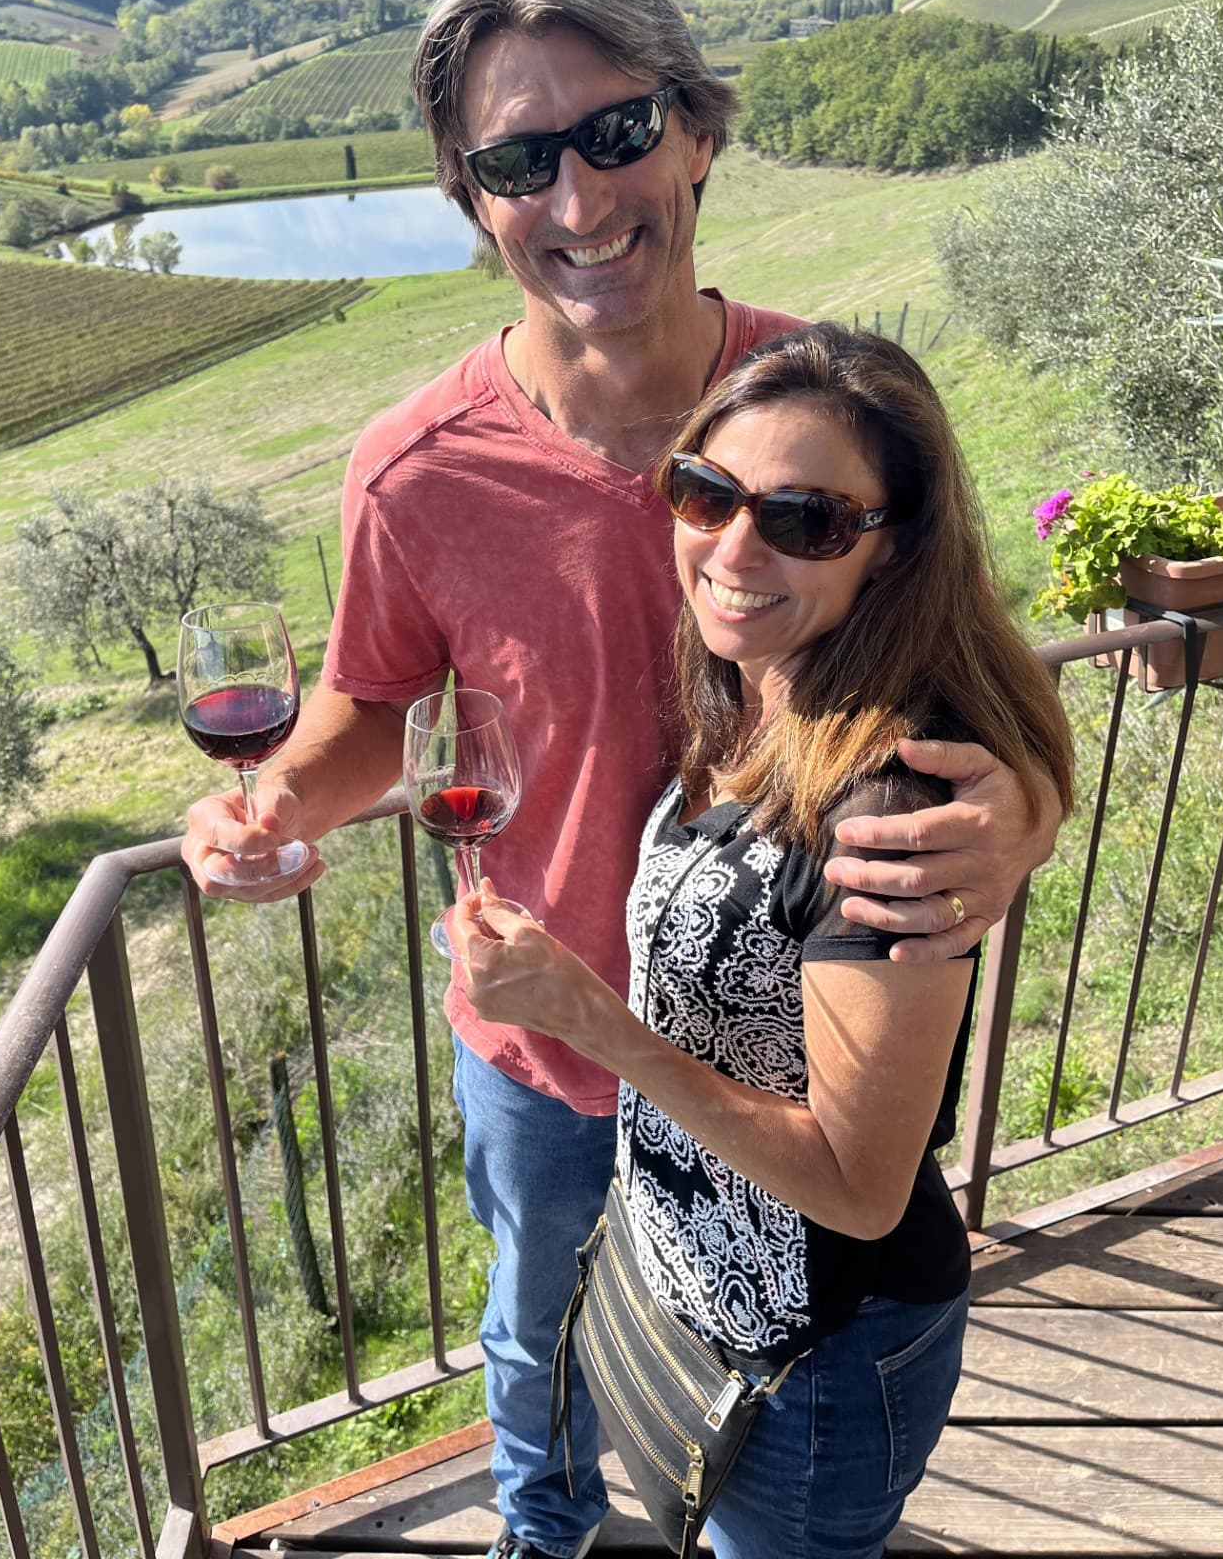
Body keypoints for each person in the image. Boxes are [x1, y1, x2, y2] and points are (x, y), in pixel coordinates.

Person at [182, 0, 1061, 1559]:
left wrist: (1021, 810)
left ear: (698, 130)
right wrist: (264, 808)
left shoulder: (824, 409)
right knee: (545, 1360)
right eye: (521, 160)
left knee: (762, 1414)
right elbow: (370, 715)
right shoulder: (414, 468)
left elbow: (974, 664)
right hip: (543, 1049)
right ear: (473, 199)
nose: (581, 200)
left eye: (616, 131)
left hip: (785, 1068)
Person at [446, 323, 1076, 1559]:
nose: (734, 548)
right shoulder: (757, 685)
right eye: (707, 493)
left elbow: (856, 1184)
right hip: (714, 1312)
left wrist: (593, 1023)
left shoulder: (893, 806)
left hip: (816, 1370)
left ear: (892, 552)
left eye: (806, 520)